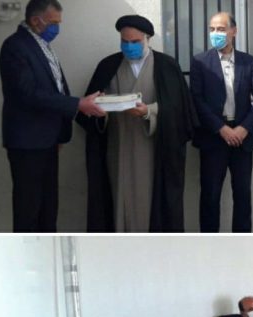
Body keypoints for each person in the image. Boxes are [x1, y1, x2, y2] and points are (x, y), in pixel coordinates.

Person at [78, 15, 197, 232]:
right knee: (117, 200)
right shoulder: (108, 66)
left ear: (147, 39)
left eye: (135, 42)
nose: (129, 46)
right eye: (125, 42)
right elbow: (87, 111)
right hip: (117, 148)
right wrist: (102, 110)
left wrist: (149, 111)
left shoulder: (166, 66)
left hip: (153, 151)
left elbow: (180, 111)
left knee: (150, 203)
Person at [0, 0, 105, 232]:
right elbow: (27, 94)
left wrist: (59, 131)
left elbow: (55, 87)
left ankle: (47, 249)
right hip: (28, 142)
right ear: (36, 20)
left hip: (48, 139)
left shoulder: (42, 45)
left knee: (48, 208)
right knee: (29, 209)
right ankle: (28, 253)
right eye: (54, 23)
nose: (57, 28)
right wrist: (78, 104)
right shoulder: (15, 47)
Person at [191, 12, 253, 233]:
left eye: (221, 29)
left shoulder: (248, 61)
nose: (216, 33)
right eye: (212, 29)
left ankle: (241, 243)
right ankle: (210, 244)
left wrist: (244, 128)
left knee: (242, 194)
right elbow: (196, 99)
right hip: (213, 136)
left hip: (242, 137)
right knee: (210, 195)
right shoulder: (200, 62)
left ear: (234, 31)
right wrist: (221, 128)